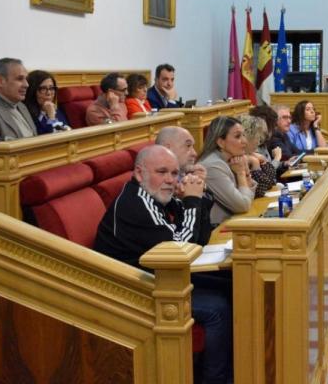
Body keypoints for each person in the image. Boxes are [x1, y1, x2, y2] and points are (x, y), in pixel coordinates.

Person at [93, 145, 231, 384]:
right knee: (217, 308)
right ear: (139, 173)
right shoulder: (135, 203)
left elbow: (198, 236)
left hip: (160, 278)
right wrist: (191, 200)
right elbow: (178, 249)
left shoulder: (157, 195)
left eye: (175, 173)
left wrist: (199, 197)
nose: (170, 180)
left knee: (229, 282)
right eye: (162, 172)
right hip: (129, 290)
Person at [155, 126, 214, 243]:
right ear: (167, 149)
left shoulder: (185, 178)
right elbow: (180, 246)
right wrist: (192, 199)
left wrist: (199, 187)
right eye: (188, 146)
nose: (194, 153)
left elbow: (203, 236)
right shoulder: (156, 187)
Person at [199, 116, 258, 226]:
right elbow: (243, 205)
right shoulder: (212, 166)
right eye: (238, 136)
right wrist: (241, 174)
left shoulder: (233, 160)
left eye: (243, 135)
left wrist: (246, 174)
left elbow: (251, 196)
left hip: (234, 224)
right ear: (221, 142)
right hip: (216, 231)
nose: (245, 141)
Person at [236, 113, 279, 194]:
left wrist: (264, 160)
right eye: (257, 137)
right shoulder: (237, 159)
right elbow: (260, 190)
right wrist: (255, 164)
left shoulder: (253, 154)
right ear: (248, 136)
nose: (259, 142)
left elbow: (272, 181)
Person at [23, 70, 70, 134]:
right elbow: (49, 137)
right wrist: (52, 117)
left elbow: (67, 130)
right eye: (43, 89)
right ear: (32, 91)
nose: (49, 93)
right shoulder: (26, 114)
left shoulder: (56, 108)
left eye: (51, 88)